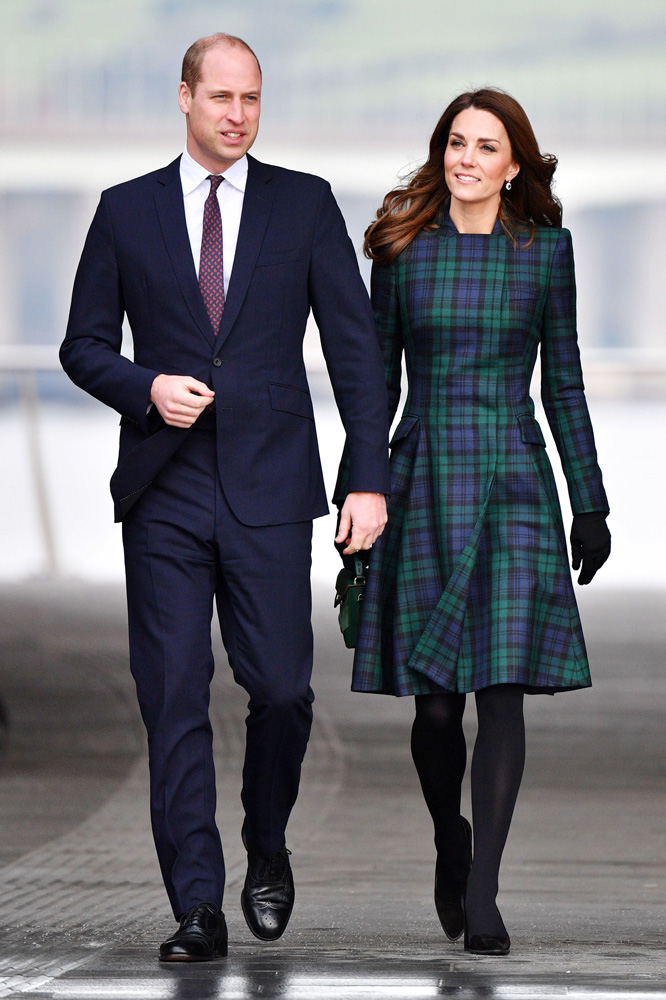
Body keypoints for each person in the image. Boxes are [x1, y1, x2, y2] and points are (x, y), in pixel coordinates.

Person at [61, 33, 389, 962]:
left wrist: (368, 478)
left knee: (282, 689)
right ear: (184, 98)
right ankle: (197, 906)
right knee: (171, 697)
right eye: (221, 98)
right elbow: (83, 346)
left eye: (253, 98)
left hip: (272, 485)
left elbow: (356, 356)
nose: (238, 115)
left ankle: (267, 844)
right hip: (163, 489)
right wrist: (147, 388)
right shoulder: (126, 212)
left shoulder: (305, 204)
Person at [334, 87, 610, 956]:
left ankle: (483, 887)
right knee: (436, 714)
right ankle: (451, 842)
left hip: (516, 481)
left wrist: (590, 500)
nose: (466, 159)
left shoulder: (546, 253)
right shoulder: (403, 249)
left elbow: (562, 381)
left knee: (502, 692)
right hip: (421, 477)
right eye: (456, 143)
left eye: (486, 147)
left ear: (513, 164)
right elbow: (372, 385)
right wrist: (359, 488)